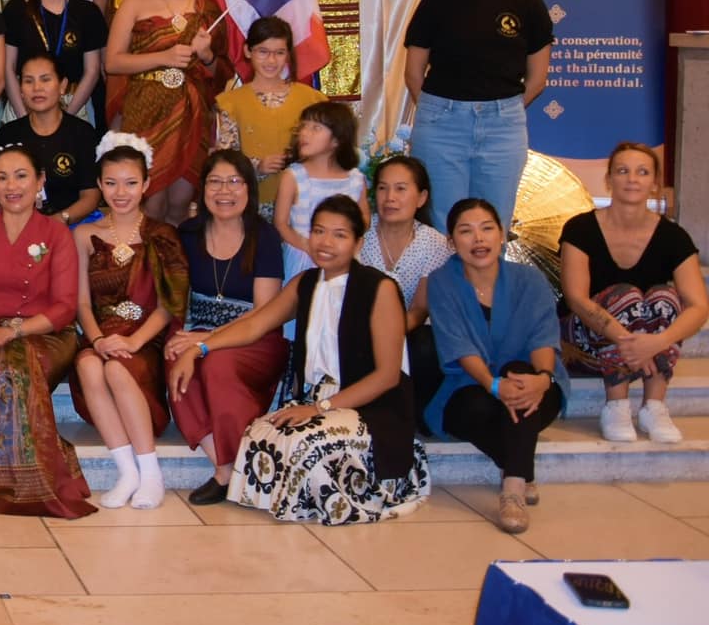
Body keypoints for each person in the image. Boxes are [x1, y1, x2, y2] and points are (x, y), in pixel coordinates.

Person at [212, 196, 430, 524]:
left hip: (372, 408)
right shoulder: (306, 282)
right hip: (316, 399)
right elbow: (256, 323)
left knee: (307, 441)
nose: (325, 242)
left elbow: (387, 376)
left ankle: (331, 500)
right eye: (318, 231)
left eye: (339, 235)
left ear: (358, 243)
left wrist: (320, 409)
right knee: (261, 432)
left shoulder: (380, 288)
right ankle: (294, 499)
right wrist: (201, 347)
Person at [0, 143, 93, 517]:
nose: (11, 186)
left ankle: (35, 480)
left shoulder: (56, 234)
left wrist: (12, 332)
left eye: (21, 176)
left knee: (11, 371)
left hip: (48, 334)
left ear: (40, 181)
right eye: (2, 178)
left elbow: (64, 307)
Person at [403, 0, 553, 229]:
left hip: (503, 128)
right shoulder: (436, 3)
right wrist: (439, 111)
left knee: (492, 226)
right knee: (443, 227)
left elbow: (538, 78)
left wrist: (502, 110)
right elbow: (413, 73)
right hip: (441, 127)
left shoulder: (529, 6)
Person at [424, 197, 564, 534]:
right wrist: (494, 385)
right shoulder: (442, 282)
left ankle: (512, 490)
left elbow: (543, 338)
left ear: (501, 234)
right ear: (451, 241)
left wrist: (543, 379)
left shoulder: (529, 279)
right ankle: (522, 467)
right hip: (470, 385)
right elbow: (459, 346)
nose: (478, 239)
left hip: (533, 387)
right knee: (478, 406)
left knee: (520, 374)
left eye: (487, 228)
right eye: (466, 231)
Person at [560, 141, 708, 444]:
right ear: (609, 179)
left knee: (665, 298)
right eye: (622, 171)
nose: (632, 179)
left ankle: (654, 407)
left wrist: (656, 342)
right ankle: (616, 405)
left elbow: (699, 306)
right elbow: (576, 297)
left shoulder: (674, 237)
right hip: (585, 341)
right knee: (626, 295)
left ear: (654, 183)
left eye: (642, 172)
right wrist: (629, 342)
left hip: (648, 348)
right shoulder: (580, 228)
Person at [162, 150, 287, 505]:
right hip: (197, 330)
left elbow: (263, 313)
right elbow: (175, 296)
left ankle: (232, 467)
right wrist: (186, 340)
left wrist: (206, 340)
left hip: (254, 337)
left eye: (234, 181)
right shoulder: (188, 234)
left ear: (249, 188)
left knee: (217, 363)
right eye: (215, 182)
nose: (224, 191)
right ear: (202, 189)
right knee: (173, 356)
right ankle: (228, 467)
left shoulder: (264, 236)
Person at [70, 139, 189, 510]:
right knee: (89, 365)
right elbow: (81, 302)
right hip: (102, 336)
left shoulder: (162, 235)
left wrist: (134, 342)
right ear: (99, 184)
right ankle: (127, 472)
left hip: (144, 340)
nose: (120, 192)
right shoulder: (83, 236)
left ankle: (151, 474)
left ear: (146, 184)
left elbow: (170, 303)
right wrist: (97, 340)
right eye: (111, 183)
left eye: (130, 183)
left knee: (117, 370)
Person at [104, 0, 225, 221]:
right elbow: (113, 62)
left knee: (182, 202)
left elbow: (221, 73)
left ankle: (177, 253)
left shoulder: (208, 9)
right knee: (150, 202)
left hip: (191, 113)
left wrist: (207, 55)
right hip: (145, 110)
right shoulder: (134, 1)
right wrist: (163, 57)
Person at [358, 154, 451, 410]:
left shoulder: (435, 244)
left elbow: (420, 309)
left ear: (421, 197)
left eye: (400, 189)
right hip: (357, 328)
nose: (390, 198)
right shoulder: (359, 233)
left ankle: (414, 414)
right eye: (383, 188)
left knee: (426, 344)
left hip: (407, 329)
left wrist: (387, 333)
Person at [214, 17, 325, 211]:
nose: (271, 60)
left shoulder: (313, 100)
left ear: (288, 54)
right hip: (252, 204)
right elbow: (225, 159)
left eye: (279, 53)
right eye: (263, 52)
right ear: (248, 51)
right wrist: (257, 166)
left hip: (304, 203)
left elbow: (326, 153)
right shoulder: (230, 102)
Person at [5, 0, 108, 127]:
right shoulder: (17, 9)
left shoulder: (87, 12)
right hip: (25, 106)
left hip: (75, 107)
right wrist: (25, 120)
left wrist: (65, 119)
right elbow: (8, 68)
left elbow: (92, 71)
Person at [0, 53, 101, 225]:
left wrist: (56, 222)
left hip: (71, 223)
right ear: (21, 89)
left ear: (62, 85)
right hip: (20, 223)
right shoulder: (9, 133)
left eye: (45, 80)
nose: (37, 88)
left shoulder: (82, 133)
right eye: (28, 81)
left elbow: (91, 196)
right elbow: (0, 190)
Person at [273, 102, 368, 279]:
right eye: (303, 126)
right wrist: (309, 247)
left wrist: (345, 241)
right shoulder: (294, 176)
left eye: (315, 128)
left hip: (342, 259)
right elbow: (281, 223)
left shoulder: (355, 179)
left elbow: (364, 219)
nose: (304, 133)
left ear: (337, 140)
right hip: (303, 257)